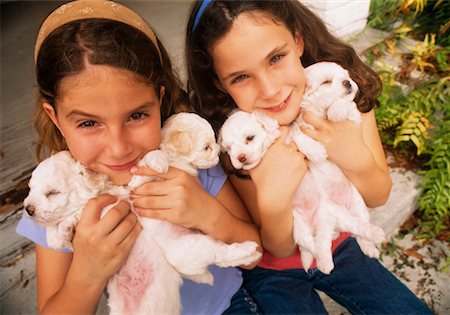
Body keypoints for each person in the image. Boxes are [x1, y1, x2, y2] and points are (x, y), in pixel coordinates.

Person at [185, 0, 433, 314]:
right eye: (240, 77)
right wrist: (274, 202)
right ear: (219, 83)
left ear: (298, 40)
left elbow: (379, 194)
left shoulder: (341, 98)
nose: (271, 89)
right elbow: (278, 247)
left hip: (340, 245)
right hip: (274, 270)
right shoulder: (237, 136)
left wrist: (352, 154)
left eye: (276, 57)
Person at [16, 1, 263, 314]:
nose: (119, 148)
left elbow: (255, 254)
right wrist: (86, 275)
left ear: (159, 101)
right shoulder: (53, 197)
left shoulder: (185, 165)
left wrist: (206, 213)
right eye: (89, 123)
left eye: (136, 115)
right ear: (55, 119)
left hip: (228, 306)